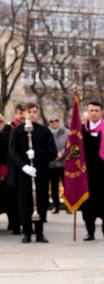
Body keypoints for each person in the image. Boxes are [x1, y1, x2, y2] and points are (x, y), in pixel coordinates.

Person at [7, 102, 57, 242]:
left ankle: (39, 232)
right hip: (23, 173)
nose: (32, 114)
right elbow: (13, 152)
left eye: (34, 112)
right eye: (29, 112)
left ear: (37, 113)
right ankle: (27, 232)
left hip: (40, 172)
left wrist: (37, 154)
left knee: (40, 201)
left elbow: (51, 152)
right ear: (25, 113)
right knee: (24, 202)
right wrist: (24, 166)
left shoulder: (44, 131)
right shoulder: (17, 131)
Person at [81, 101, 104, 241]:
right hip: (88, 174)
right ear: (88, 112)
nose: (94, 113)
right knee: (88, 205)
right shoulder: (82, 129)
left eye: (97, 110)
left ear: (102, 112)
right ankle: (90, 231)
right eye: (91, 110)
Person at [48, 115, 68, 213]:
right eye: (51, 121)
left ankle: (68, 205)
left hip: (64, 163)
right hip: (52, 163)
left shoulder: (66, 132)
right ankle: (56, 205)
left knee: (66, 185)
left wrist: (62, 153)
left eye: (56, 120)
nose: (54, 122)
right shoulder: (47, 133)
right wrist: (53, 155)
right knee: (54, 186)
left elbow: (69, 144)